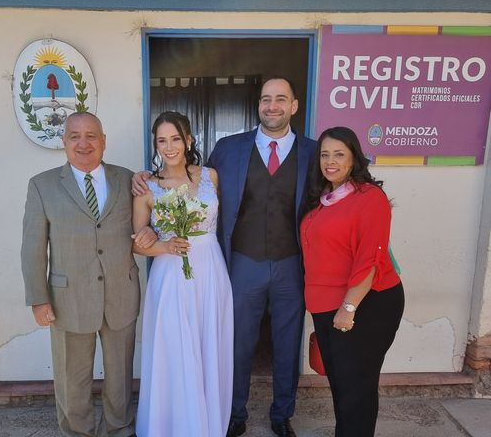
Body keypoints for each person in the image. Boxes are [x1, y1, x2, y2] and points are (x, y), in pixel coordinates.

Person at [133, 78, 316, 437]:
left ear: (294, 105)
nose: (273, 105)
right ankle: (234, 414)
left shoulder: (313, 151)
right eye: (266, 99)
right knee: (236, 342)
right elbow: (183, 182)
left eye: (281, 99)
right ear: (258, 105)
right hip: (241, 263)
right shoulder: (228, 150)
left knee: (287, 341)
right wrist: (144, 177)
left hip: (291, 263)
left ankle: (282, 415)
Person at [21, 112, 154, 437]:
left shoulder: (128, 180)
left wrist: (149, 227)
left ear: (104, 141)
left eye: (92, 135)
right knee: (72, 378)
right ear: (64, 142)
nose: (84, 143)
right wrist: (39, 299)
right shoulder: (42, 185)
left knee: (120, 376)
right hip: (69, 300)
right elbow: (33, 248)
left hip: (121, 295)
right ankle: (77, 432)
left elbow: (145, 221)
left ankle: (119, 429)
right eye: (75, 136)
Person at [132, 111, 234, 437]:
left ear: (188, 140)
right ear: (156, 145)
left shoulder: (211, 177)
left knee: (208, 346)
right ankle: (172, 426)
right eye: (162, 140)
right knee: (174, 350)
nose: (169, 146)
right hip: (170, 276)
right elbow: (138, 242)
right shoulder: (147, 187)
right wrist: (163, 247)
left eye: (175, 138)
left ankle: (207, 424)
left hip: (210, 272)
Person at [300, 126, 404, 437]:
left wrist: (349, 307)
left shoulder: (369, 198)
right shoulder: (324, 199)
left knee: (356, 387)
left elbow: (369, 258)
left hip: (364, 304)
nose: (330, 161)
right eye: (325, 154)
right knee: (343, 386)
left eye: (339, 154)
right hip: (327, 306)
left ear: (354, 158)